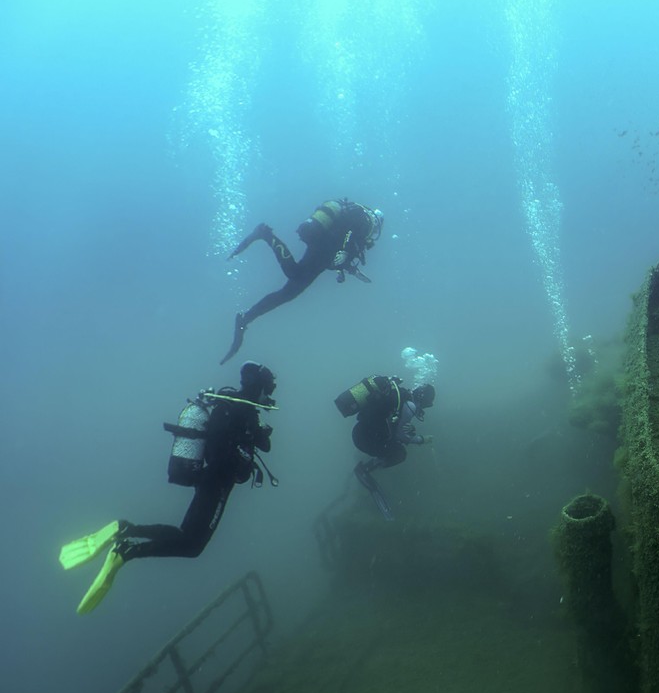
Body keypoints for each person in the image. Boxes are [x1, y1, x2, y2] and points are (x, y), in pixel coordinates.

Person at [60, 362, 279, 614]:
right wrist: (243, 455)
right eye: (269, 387)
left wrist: (255, 438)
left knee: (186, 537)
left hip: (210, 480)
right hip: (217, 483)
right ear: (259, 385)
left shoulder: (233, 406)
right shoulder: (244, 411)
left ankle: (127, 536)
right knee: (193, 545)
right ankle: (127, 546)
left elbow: (258, 445)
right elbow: (226, 452)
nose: (270, 394)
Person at [221, 198, 384, 363]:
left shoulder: (360, 222)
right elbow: (348, 233)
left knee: (288, 293)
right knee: (292, 276)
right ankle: (265, 234)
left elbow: (341, 252)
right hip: (323, 247)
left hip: (323, 250)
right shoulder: (364, 219)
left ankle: (245, 318)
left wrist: (348, 266)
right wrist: (345, 250)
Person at [333, 374, 435, 520]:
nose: (423, 408)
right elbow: (401, 436)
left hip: (359, 433)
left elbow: (391, 424)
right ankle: (364, 470)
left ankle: (365, 469)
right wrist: (420, 440)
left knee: (395, 445)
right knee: (400, 453)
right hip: (366, 439)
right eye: (425, 405)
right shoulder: (410, 406)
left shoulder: (398, 396)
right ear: (422, 399)